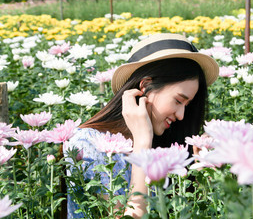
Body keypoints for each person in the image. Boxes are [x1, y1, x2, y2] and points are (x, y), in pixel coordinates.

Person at [65, 33, 219, 218]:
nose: (181, 115)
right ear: (145, 86)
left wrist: (204, 176)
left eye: (187, 106)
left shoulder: (164, 143)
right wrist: (142, 143)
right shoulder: (88, 143)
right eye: (178, 101)